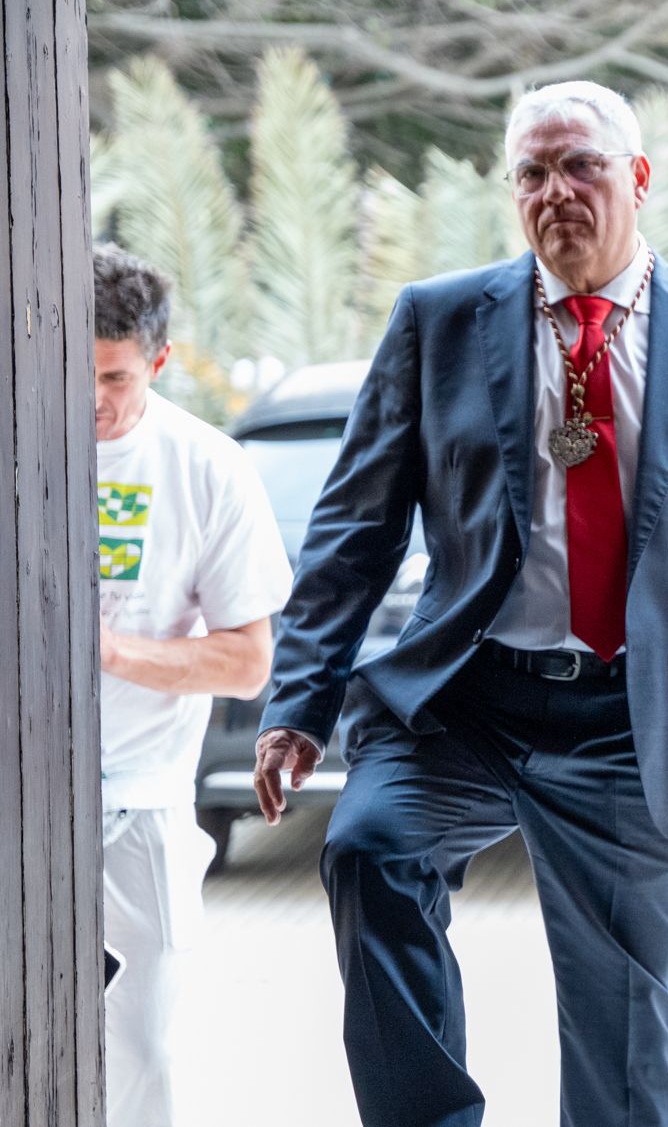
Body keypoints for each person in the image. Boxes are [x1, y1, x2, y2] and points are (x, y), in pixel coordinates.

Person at [252, 80, 668, 1127]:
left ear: (638, 179)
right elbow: (355, 525)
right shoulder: (442, 319)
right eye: (533, 173)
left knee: (624, 1021)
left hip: (625, 716)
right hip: (465, 696)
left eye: (581, 165)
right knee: (369, 849)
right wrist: (298, 702)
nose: (556, 191)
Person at [93, 242, 292, 1126]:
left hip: (141, 796)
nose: (94, 401)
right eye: (78, 374)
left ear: (160, 361)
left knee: (145, 1047)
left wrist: (110, 653)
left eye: (117, 379)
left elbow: (248, 658)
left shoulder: (207, 466)